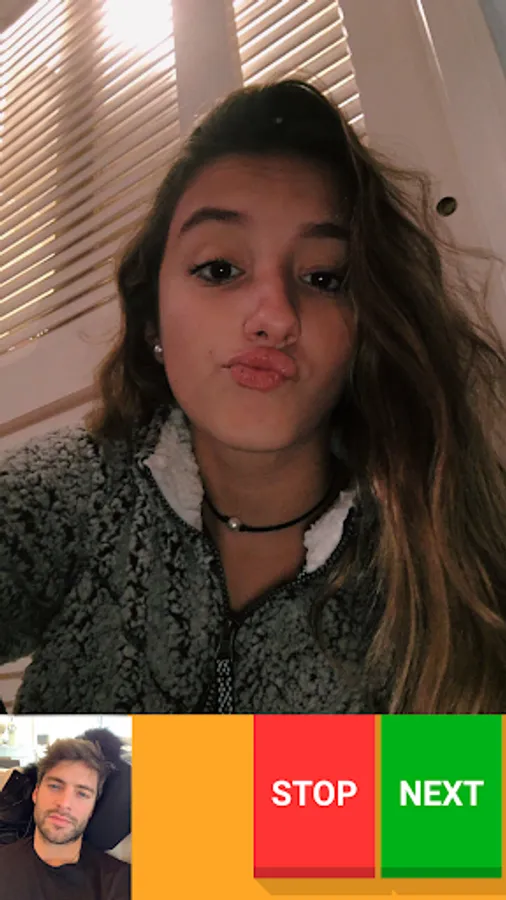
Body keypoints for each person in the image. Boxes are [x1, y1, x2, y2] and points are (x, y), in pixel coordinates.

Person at [1, 79, 505, 715]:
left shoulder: (448, 545)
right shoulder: (77, 489)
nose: (275, 316)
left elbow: (469, 779)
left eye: (324, 277)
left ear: (366, 328)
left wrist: (67, 774)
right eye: (220, 269)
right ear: (152, 318)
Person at [0, 738, 130, 899]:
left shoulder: (120, 883)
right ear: (36, 793)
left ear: (92, 809)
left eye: (82, 794)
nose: (64, 803)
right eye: (55, 786)